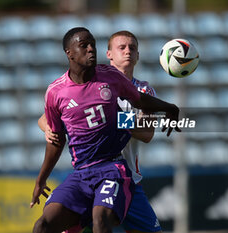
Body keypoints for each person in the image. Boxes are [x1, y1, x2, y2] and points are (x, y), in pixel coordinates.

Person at [30, 27, 180, 233]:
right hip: (86, 172)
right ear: (109, 54)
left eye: (132, 48)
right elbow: (44, 119)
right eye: (122, 47)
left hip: (126, 177)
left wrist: (107, 118)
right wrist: (52, 130)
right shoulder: (75, 86)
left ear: (138, 55)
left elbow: (146, 133)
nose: (128, 51)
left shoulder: (143, 90)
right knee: (50, 224)